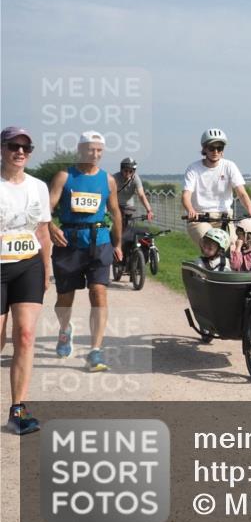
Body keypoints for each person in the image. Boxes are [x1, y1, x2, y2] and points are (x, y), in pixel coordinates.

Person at [48, 131, 123, 372]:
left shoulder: (108, 180)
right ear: (80, 150)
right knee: (65, 298)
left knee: (98, 293)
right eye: (91, 149)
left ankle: (95, 351)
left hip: (99, 242)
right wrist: (50, 226)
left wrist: (118, 243)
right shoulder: (64, 176)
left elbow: (115, 212)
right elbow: (46, 208)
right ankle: (64, 330)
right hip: (68, 243)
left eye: (100, 150)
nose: (95, 154)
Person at [0, 127, 52, 434]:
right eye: (13, 146)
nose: (20, 151)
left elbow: (42, 231)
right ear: (2, 149)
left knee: (26, 335)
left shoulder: (38, 187)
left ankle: (18, 410)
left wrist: (46, 269)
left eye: (26, 147)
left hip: (28, 265)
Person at [181, 128, 251, 246]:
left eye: (219, 148)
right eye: (212, 148)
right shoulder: (193, 168)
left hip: (224, 218)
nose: (215, 151)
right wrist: (191, 210)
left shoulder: (229, 166)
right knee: (213, 244)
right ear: (204, 149)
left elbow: (241, 193)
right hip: (200, 218)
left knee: (234, 249)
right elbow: (186, 195)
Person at [112, 157, 153, 244]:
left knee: (130, 229)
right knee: (115, 228)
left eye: (131, 171)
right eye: (126, 171)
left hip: (129, 207)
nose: (128, 173)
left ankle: (131, 250)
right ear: (121, 169)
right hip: (116, 205)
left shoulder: (135, 179)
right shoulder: (114, 178)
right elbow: (107, 194)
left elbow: (141, 195)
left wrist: (149, 210)